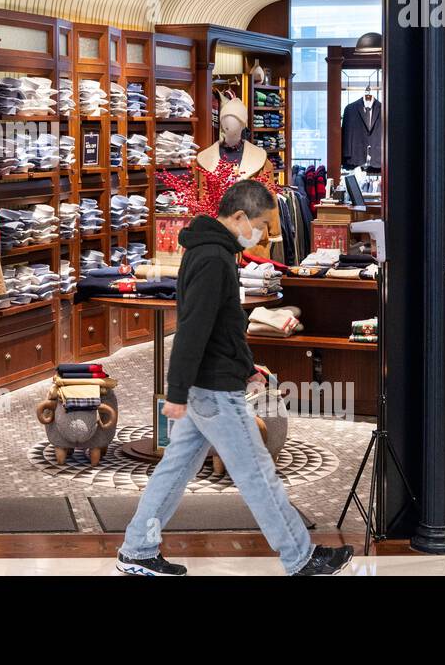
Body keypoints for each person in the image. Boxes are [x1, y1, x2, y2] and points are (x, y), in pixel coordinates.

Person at [115, 180, 354, 577]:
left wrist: (246, 369)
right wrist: (176, 391)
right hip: (212, 389)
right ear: (240, 216)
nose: (263, 235)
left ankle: (137, 549)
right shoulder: (213, 258)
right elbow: (193, 329)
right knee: (258, 473)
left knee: (174, 469)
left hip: (209, 383)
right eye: (261, 224)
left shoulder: (210, 251)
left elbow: (224, 324)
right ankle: (301, 557)